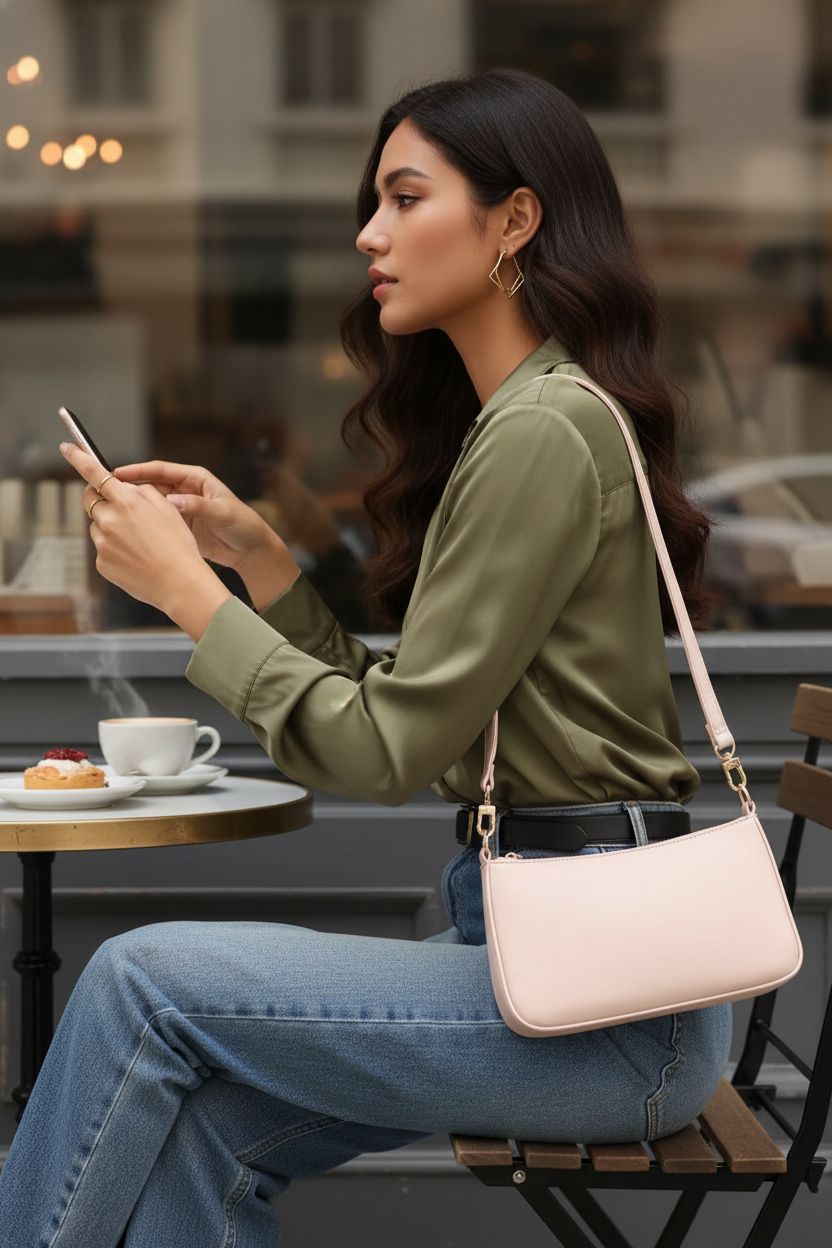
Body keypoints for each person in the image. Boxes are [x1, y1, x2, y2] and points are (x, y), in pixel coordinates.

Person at [0, 67, 732, 1247]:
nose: (367, 234)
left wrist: (189, 597)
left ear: (514, 219)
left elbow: (384, 753)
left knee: (139, 979)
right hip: (550, 966)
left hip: (609, 1018)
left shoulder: (544, 428)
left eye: (402, 198)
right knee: (208, 1124)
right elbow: (400, 710)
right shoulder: (529, 417)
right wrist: (261, 564)